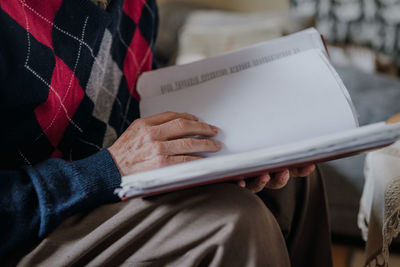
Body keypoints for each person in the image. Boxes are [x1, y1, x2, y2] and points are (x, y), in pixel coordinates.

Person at [0, 0, 333, 266]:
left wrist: (222, 159)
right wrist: (108, 170)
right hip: (29, 228)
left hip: (106, 193)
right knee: (235, 222)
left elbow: (128, 112)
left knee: (295, 180)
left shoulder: (137, 6)